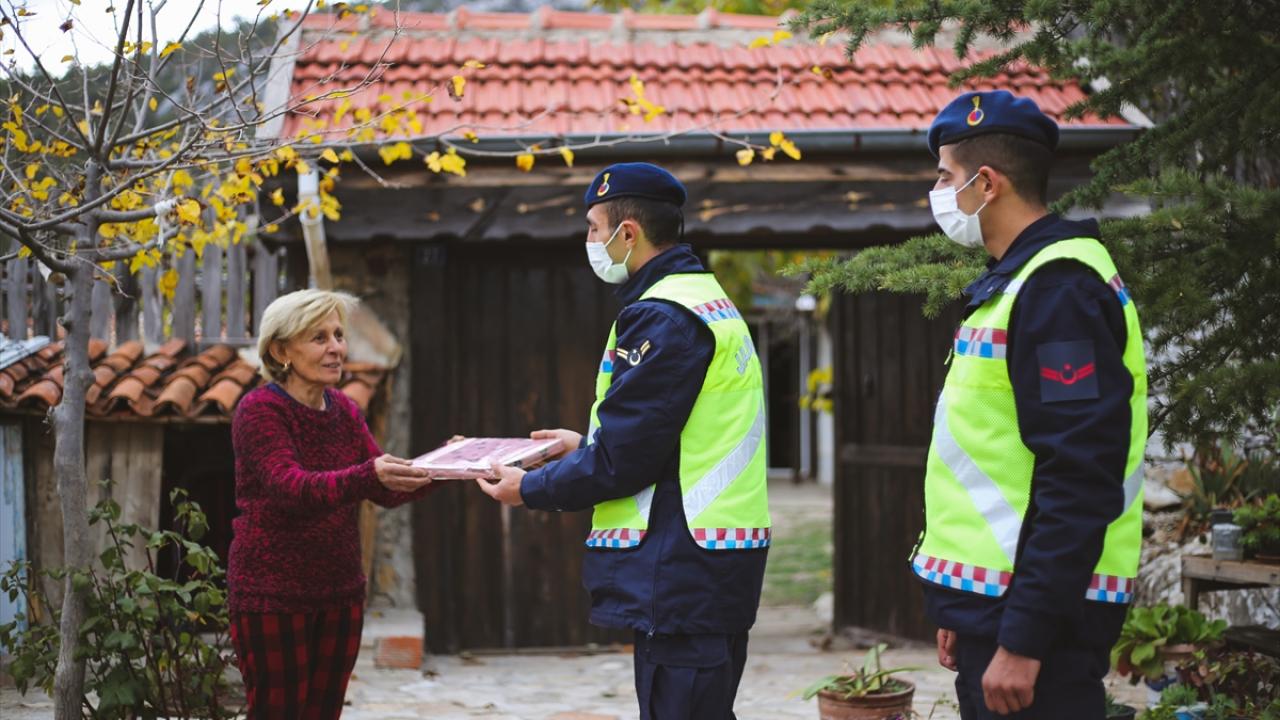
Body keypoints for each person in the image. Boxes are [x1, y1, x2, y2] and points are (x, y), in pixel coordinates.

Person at [476, 162, 771, 720]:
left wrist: (530, 487)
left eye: (594, 228)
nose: (589, 240)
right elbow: (674, 432)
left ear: (627, 233)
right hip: (711, 559)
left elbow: (624, 460)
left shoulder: (663, 317)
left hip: (680, 564)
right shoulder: (704, 299)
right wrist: (583, 443)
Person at [911, 90, 1148, 719]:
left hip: (1038, 624)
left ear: (987, 183)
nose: (937, 192)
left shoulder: (1058, 289)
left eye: (946, 177)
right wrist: (963, 605)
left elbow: (1079, 474)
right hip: (1002, 607)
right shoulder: (1019, 282)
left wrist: (1023, 639)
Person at [228, 289, 435, 720]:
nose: (337, 347)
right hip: (273, 595)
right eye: (319, 337)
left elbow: (385, 489)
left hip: (340, 594)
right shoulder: (259, 410)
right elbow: (290, 487)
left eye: (339, 335)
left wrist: (450, 467)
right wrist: (369, 474)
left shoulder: (344, 409)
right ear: (281, 350)